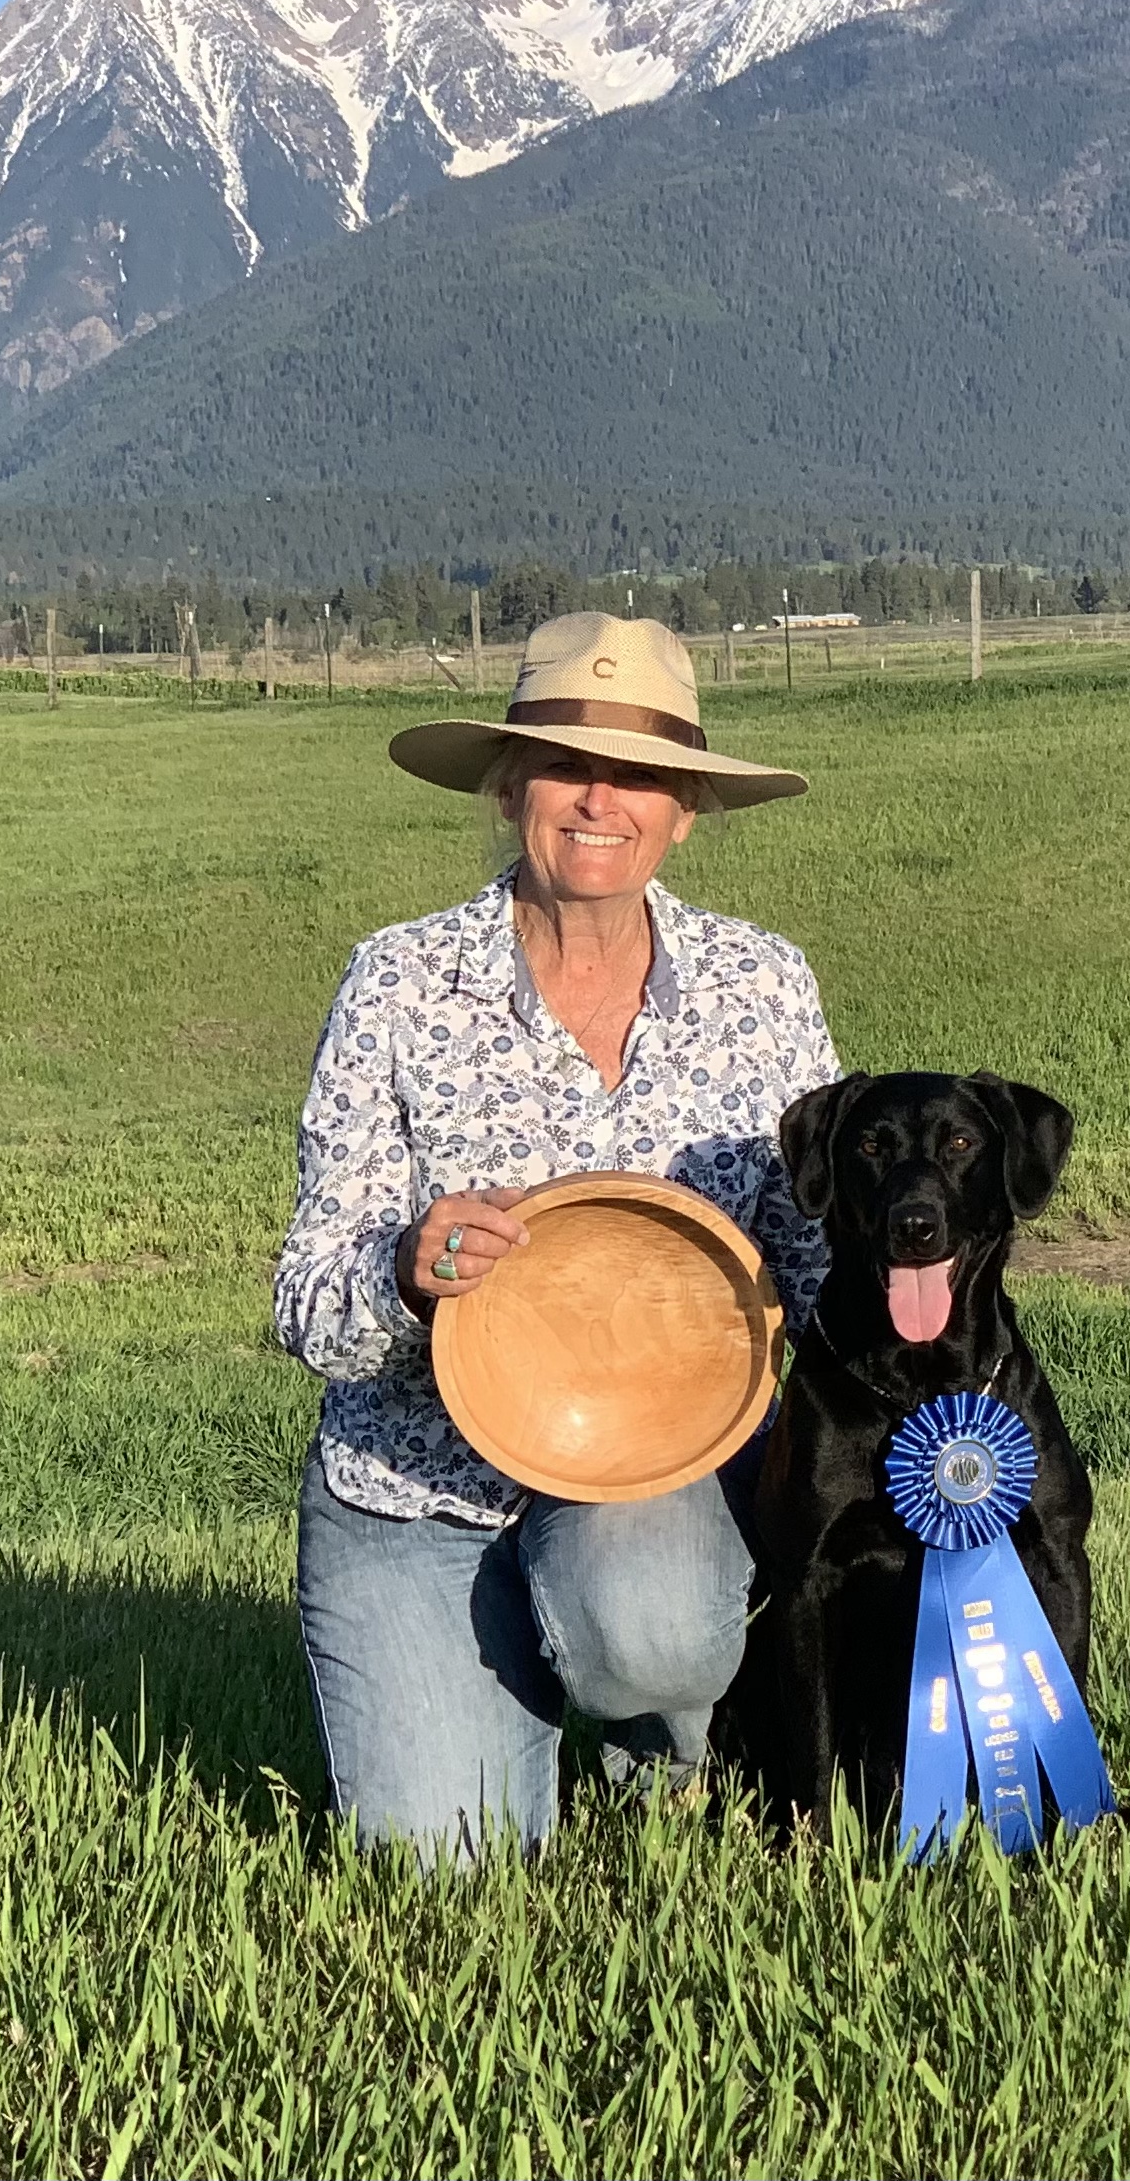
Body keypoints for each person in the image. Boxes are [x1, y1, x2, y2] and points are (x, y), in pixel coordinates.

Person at [275, 611, 839, 1861]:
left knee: (651, 1624)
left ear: (685, 809)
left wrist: (924, 1290)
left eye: (639, 774)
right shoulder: (396, 983)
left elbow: (807, 1265)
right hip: (418, 1485)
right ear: (507, 784)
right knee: (435, 1867)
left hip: (655, 1471)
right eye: (568, 767)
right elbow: (307, 1301)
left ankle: (667, 1745)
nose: (601, 800)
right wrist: (404, 1267)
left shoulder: (763, 986)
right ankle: (515, 1658)